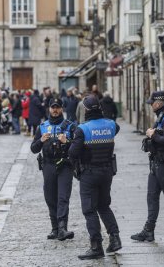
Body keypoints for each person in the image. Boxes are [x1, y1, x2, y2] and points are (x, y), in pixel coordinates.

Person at [68, 95, 121, 260]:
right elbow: (116, 128)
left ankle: (96, 246)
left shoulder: (83, 129)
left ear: (86, 110)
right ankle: (115, 238)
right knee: (104, 206)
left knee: (89, 209)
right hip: (107, 172)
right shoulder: (111, 125)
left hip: (89, 173)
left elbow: (73, 152)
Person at [131, 90, 164, 243]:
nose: (151, 106)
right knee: (152, 196)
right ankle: (148, 231)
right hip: (156, 163)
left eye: (152, 103)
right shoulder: (160, 118)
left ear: (159, 103)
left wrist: (152, 135)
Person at [31, 98, 76, 241]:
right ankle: (55, 228)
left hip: (65, 165)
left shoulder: (70, 126)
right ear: (49, 109)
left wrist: (67, 142)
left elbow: (78, 148)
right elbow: (33, 149)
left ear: (62, 109)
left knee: (63, 197)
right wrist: (41, 140)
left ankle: (63, 228)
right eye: (53, 107)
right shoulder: (42, 127)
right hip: (48, 165)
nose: (55, 110)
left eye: (57, 107)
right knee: (50, 197)